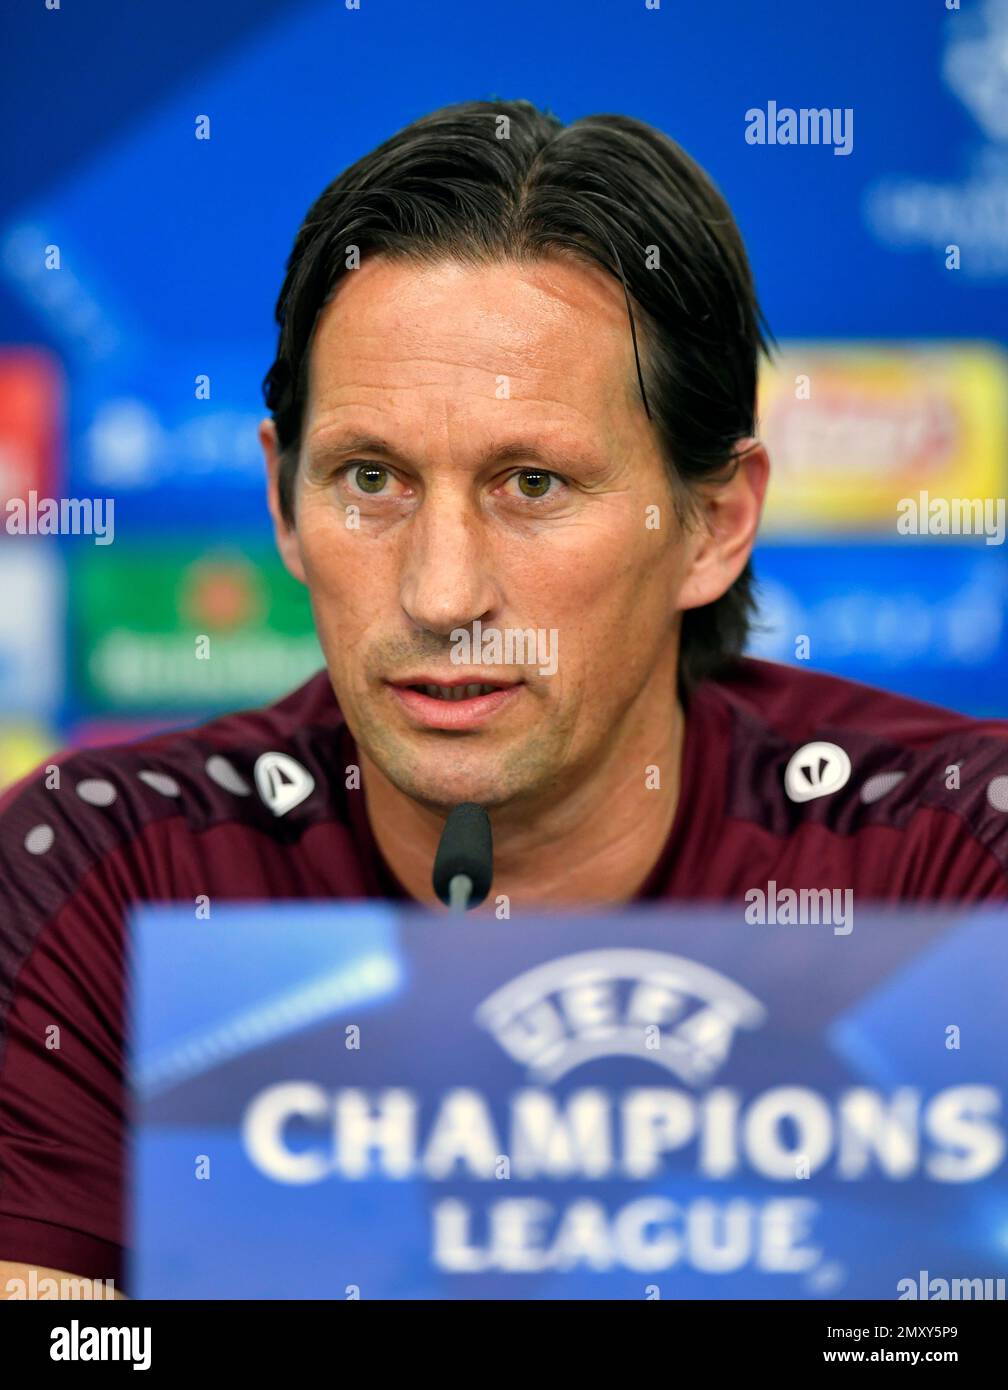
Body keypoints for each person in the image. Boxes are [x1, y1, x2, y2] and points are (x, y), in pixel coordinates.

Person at [2, 98, 1006, 1298]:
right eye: (370, 478)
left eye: (532, 483)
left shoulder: (959, 856)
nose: (440, 593)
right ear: (281, 500)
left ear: (712, 522)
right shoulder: (109, 872)